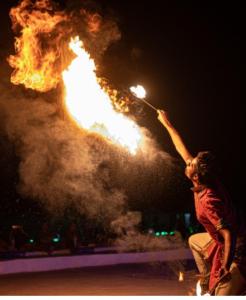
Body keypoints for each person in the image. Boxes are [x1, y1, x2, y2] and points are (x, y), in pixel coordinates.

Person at [157, 109, 246, 295]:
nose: (187, 162)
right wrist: (167, 124)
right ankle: (206, 280)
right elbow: (182, 149)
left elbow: (229, 234)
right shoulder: (205, 180)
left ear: (196, 175)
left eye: (191, 164)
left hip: (238, 251)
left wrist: (226, 266)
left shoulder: (209, 200)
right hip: (221, 243)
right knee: (194, 240)